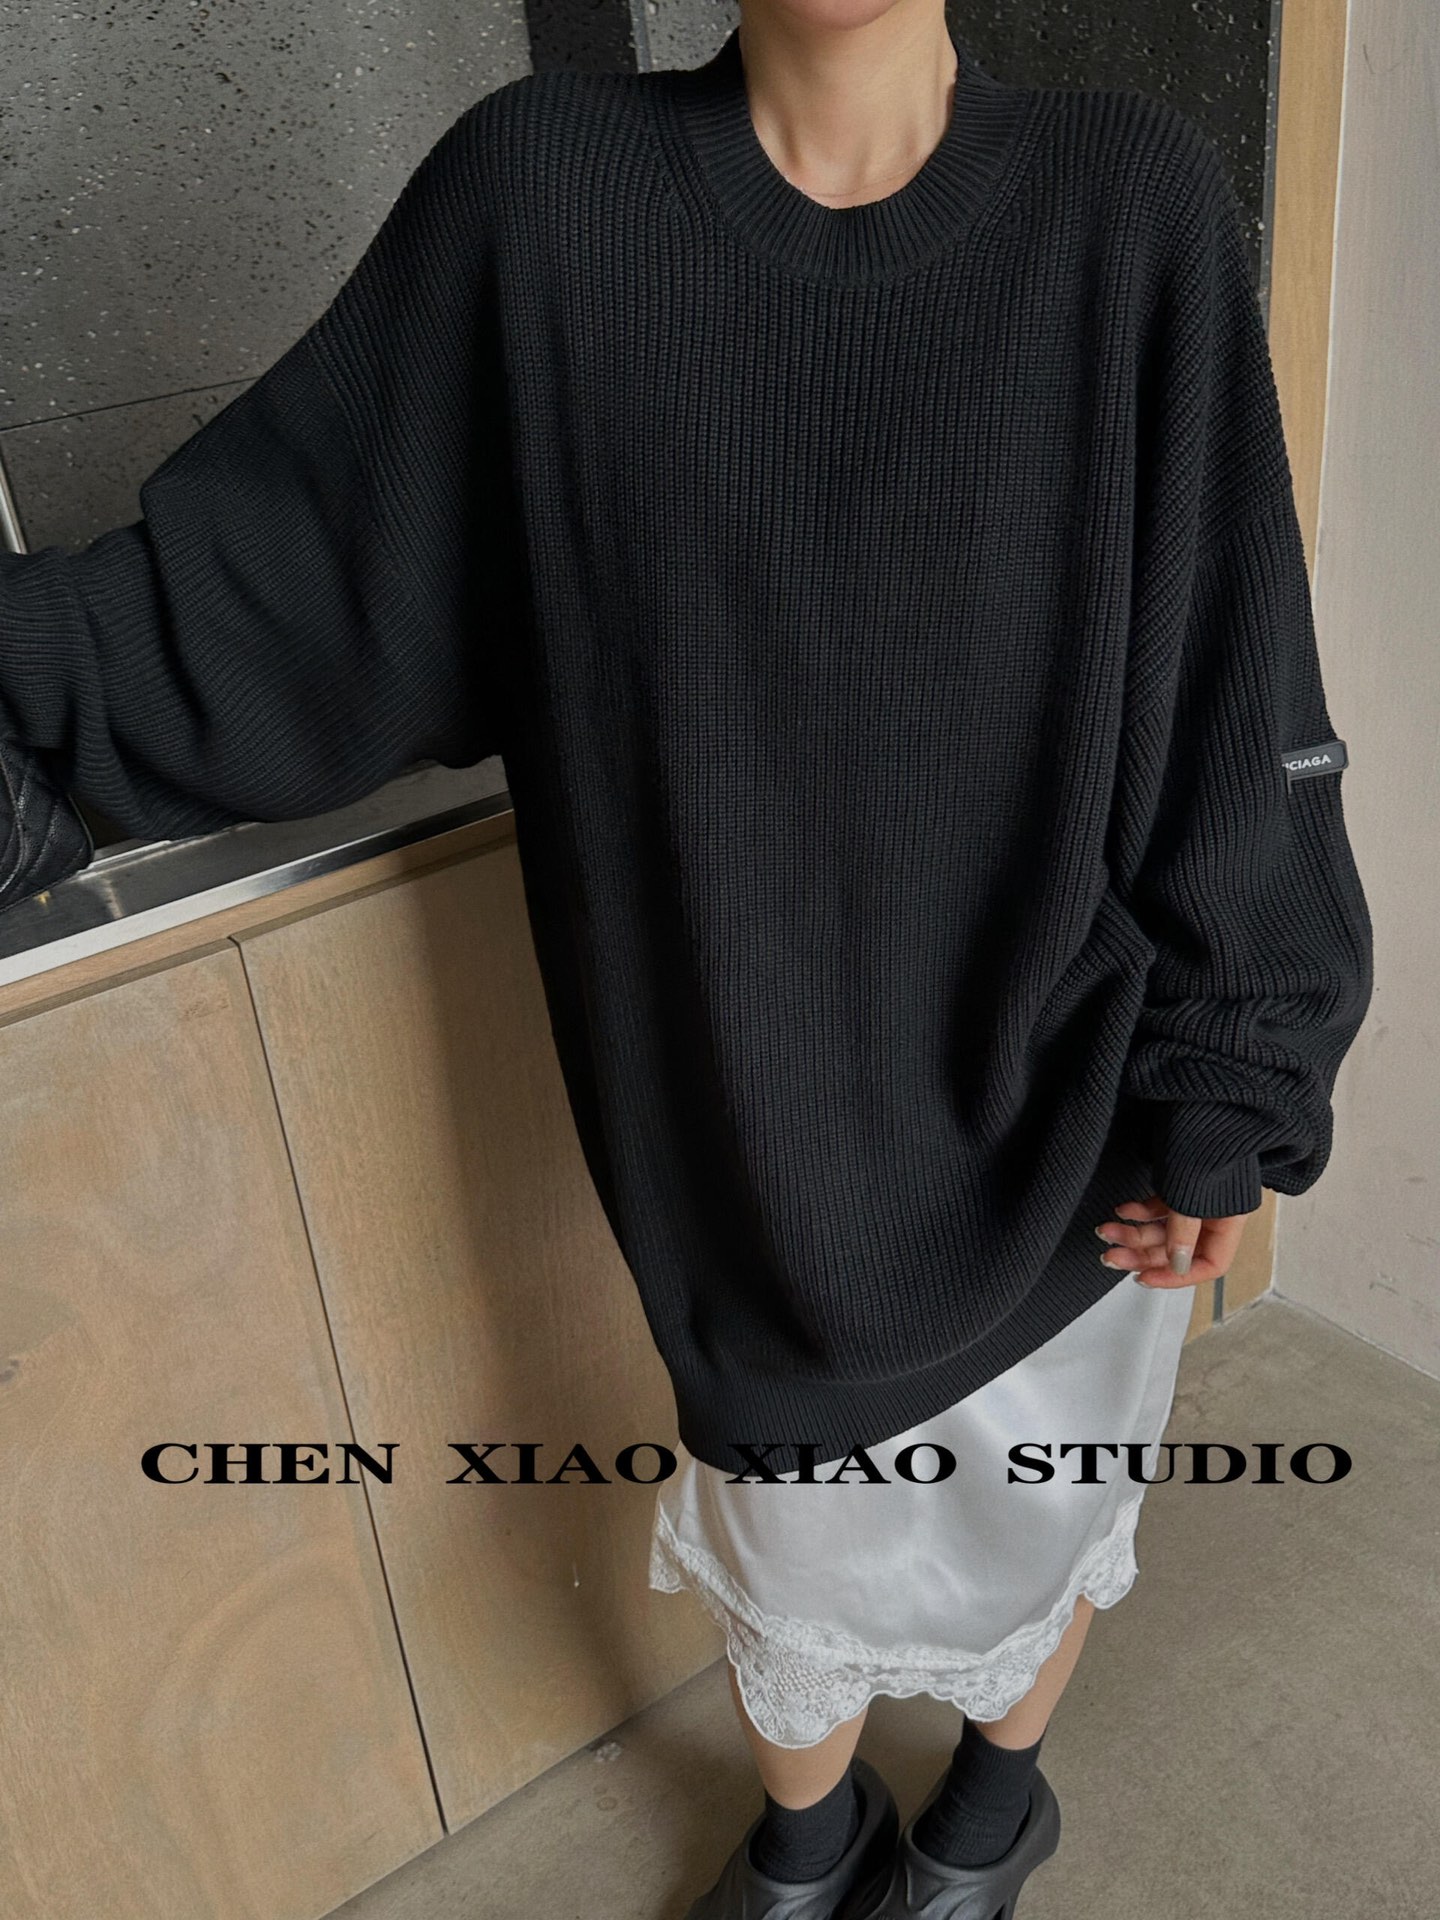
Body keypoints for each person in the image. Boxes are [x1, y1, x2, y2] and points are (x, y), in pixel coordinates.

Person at [0, 2, 1374, 1915]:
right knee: (792, 1544)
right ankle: (812, 1839)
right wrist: (35, 708)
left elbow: (1235, 677)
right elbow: (285, 590)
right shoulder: (546, 201)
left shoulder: (1124, 206)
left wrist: (1244, 1068)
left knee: (1044, 1513)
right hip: (742, 1141)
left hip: (1078, 1107)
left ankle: (992, 1817)